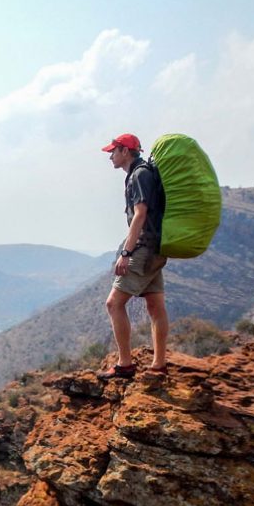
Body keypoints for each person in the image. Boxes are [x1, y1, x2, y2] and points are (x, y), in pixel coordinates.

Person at [97, 133, 168, 380]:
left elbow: (140, 214)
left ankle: (125, 364)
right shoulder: (144, 173)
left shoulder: (139, 175)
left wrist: (126, 253)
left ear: (125, 151)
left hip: (143, 249)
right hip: (158, 248)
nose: (110, 157)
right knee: (155, 305)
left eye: (113, 152)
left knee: (113, 303)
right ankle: (159, 363)